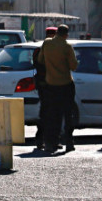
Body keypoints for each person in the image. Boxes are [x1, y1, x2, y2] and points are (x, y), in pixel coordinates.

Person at [36, 25, 77, 153]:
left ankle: (51, 143)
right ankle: (69, 142)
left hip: (51, 84)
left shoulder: (47, 43)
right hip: (65, 84)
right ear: (66, 34)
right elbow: (73, 66)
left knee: (53, 115)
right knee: (68, 115)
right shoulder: (67, 47)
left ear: (56, 33)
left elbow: (40, 60)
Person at [32, 27, 58, 149]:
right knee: (46, 113)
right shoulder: (41, 50)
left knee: (51, 113)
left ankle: (49, 139)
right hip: (46, 85)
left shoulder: (42, 50)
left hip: (51, 84)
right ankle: (42, 139)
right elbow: (39, 66)